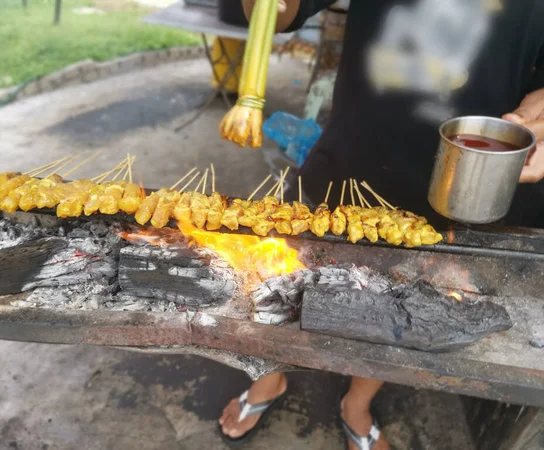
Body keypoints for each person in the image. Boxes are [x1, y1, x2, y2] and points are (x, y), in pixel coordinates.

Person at [219, 0, 544, 449]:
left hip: (468, 180)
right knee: (283, 282)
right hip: (350, 160)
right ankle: (269, 378)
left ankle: (356, 402)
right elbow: (286, 9)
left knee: (394, 312)